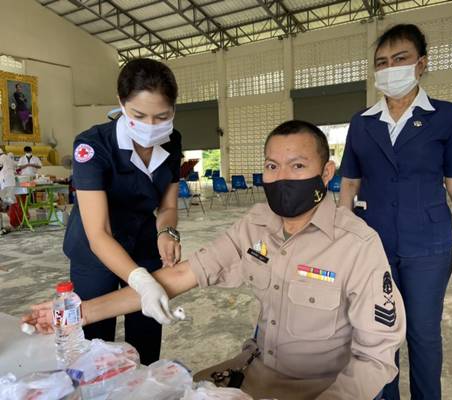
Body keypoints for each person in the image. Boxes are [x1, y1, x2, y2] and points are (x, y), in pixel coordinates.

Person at [23, 120, 406, 400]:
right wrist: (80, 313)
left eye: (298, 166)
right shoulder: (257, 224)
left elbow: (376, 357)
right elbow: (182, 275)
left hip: (319, 389)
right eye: (272, 166)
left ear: (326, 172)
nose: (282, 178)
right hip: (255, 374)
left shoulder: (357, 245)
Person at [339, 24, 452, 400]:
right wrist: (341, 238)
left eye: (399, 58)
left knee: (423, 334)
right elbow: (349, 184)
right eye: (382, 62)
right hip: (373, 245)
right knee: (378, 334)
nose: (390, 68)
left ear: (421, 63)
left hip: (428, 246)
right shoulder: (362, 122)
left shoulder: (445, 116)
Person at [62, 58, 183, 365]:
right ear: (121, 103)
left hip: (142, 240)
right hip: (95, 250)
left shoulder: (173, 141)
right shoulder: (92, 146)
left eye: (162, 116)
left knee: (147, 329)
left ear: (173, 108)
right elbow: (98, 233)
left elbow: (168, 206)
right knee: (95, 335)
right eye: (139, 115)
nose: (151, 126)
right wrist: (141, 281)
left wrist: (166, 232)